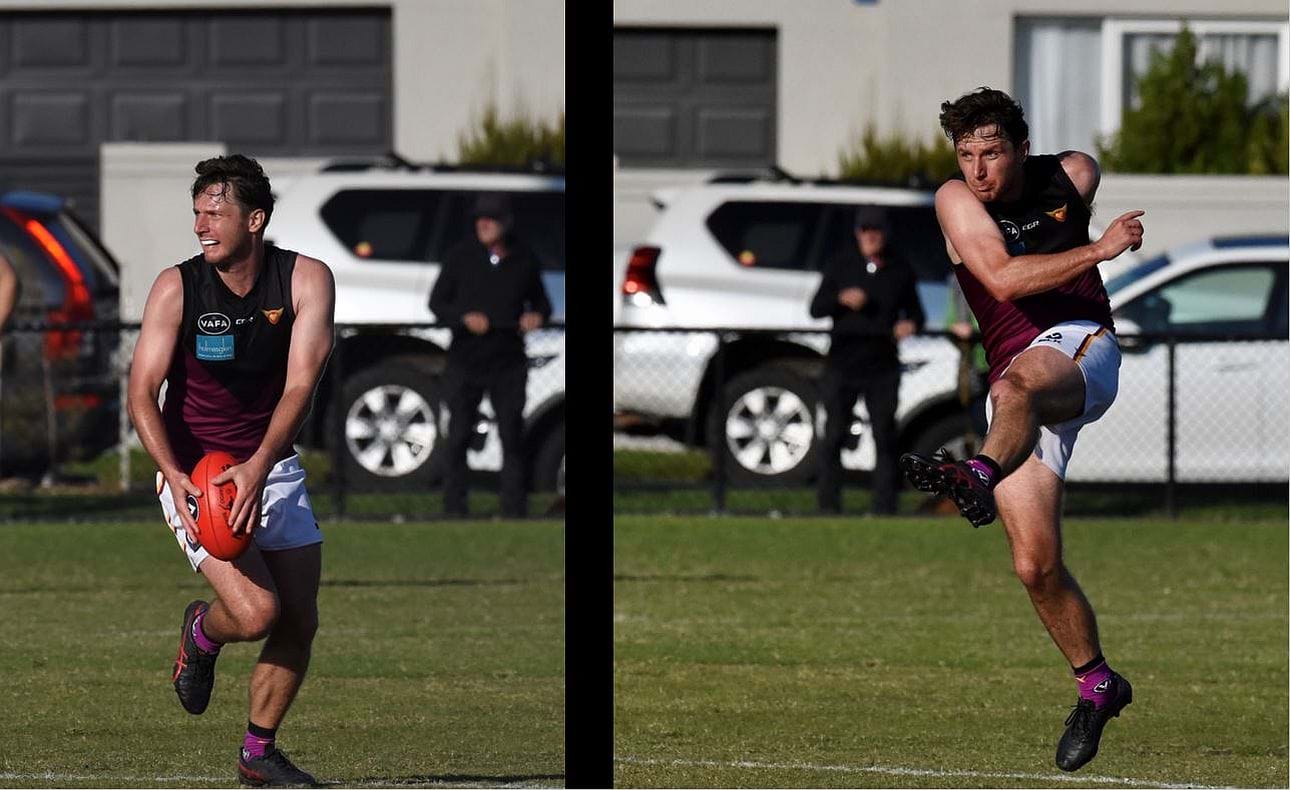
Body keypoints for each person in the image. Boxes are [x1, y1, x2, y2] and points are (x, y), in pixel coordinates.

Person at [898, 87, 1144, 772]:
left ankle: (974, 474)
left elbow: (1077, 183)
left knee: (1016, 385)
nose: (977, 169)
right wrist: (1098, 249)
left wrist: (1087, 246)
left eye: (992, 152)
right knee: (1033, 564)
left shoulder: (1073, 173)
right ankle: (1098, 684)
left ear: (1022, 148)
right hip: (1017, 387)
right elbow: (1002, 282)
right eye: (966, 153)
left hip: (1080, 347)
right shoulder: (956, 199)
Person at [127, 154, 334, 787]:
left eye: (215, 212)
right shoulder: (176, 286)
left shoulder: (305, 279)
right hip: (196, 471)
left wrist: (259, 466)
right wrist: (175, 474)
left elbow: (300, 385)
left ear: (256, 218)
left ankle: (257, 753)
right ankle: (203, 632)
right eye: (196, 212)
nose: (201, 224)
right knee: (255, 614)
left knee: (300, 617)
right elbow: (141, 392)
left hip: (269, 464)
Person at [429, 193, 551, 518]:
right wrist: (464, 317)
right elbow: (437, 304)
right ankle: (454, 509)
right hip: (466, 359)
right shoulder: (460, 256)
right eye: (480, 218)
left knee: (511, 435)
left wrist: (535, 317)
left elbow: (542, 303)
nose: (484, 224)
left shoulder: (524, 258)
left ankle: (513, 509)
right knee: (458, 435)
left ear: (506, 223)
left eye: (491, 219)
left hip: (507, 360)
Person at [810, 206, 924, 515]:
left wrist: (909, 324)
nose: (871, 236)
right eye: (865, 230)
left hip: (882, 364)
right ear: (857, 233)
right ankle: (828, 506)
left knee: (884, 436)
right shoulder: (841, 265)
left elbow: (916, 314)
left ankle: (885, 507)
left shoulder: (900, 269)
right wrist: (840, 299)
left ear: (885, 233)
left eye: (876, 230)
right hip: (842, 361)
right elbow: (816, 308)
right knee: (834, 434)